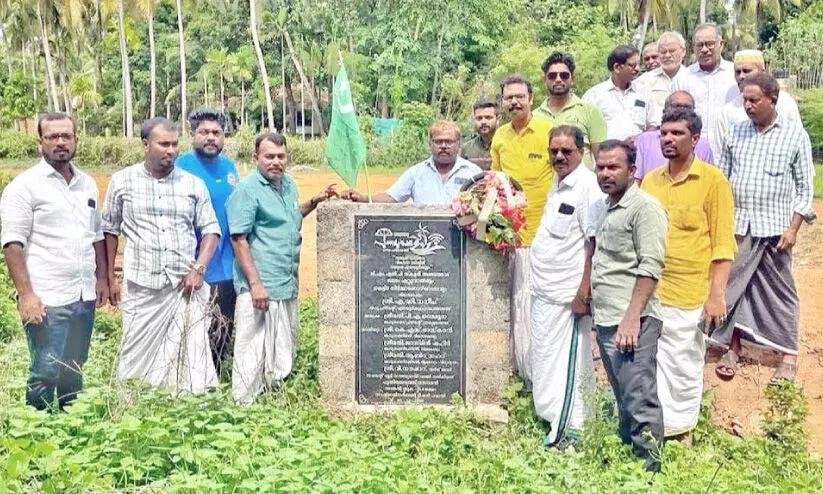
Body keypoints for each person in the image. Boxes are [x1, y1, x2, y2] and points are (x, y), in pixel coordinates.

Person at [102, 118, 221, 394]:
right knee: (135, 354)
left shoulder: (193, 184)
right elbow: (108, 229)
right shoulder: (122, 181)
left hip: (185, 286)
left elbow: (211, 230)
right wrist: (108, 277)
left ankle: (188, 406)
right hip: (142, 285)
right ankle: (135, 403)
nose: (170, 150)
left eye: (174, 144)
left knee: (190, 354)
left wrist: (199, 269)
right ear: (145, 145)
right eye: (163, 144)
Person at [712, 73, 816, 384]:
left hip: (776, 231)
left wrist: (794, 229)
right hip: (739, 226)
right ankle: (733, 348)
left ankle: (787, 355)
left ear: (773, 100)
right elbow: (722, 180)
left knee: (781, 292)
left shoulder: (794, 135)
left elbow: (804, 188)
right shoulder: (736, 132)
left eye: (754, 100)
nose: (747, 105)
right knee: (735, 287)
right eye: (744, 99)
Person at [0, 113, 109, 411]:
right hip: (47, 298)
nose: (60, 142)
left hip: (82, 296)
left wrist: (101, 280)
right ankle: (39, 433)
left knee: (73, 369)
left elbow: (96, 234)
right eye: (52, 137)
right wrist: (27, 295)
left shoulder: (86, 184)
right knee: (45, 372)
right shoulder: (24, 187)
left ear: (76, 139)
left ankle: (69, 430)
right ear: (40, 143)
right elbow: (12, 243)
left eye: (66, 136)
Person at [640, 109, 736, 438]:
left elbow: (723, 244)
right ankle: (655, 430)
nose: (668, 138)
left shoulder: (713, 181)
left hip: (691, 291)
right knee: (651, 363)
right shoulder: (651, 180)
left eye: (677, 133)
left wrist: (717, 295)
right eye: (664, 133)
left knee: (684, 365)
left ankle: (682, 433)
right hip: (652, 290)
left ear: (695, 139)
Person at [227, 133, 336, 404]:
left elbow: (290, 217)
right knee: (252, 346)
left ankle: (271, 398)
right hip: (260, 283)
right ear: (256, 158)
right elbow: (238, 239)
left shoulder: (287, 184)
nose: (276, 162)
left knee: (281, 345)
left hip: (285, 279)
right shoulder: (247, 189)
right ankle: (243, 403)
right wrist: (255, 284)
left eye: (281, 156)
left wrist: (314, 202)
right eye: (269, 156)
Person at [592, 140, 667, 472]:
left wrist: (632, 317)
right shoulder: (609, 206)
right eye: (601, 167)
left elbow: (650, 266)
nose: (606, 173)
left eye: (614, 167)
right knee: (623, 396)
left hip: (633, 320)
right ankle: (628, 465)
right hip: (609, 317)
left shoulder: (644, 208)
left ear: (632, 170)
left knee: (639, 398)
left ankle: (650, 473)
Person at [529, 126, 604, 448]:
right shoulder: (558, 184)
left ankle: (572, 430)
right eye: (554, 151)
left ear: (582, 151)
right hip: (545, 290)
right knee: (545, 357)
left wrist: (583, 292)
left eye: (567, 151)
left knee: (570, 362)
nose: (559, 156)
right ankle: (552, 417)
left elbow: (594, 243)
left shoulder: (588, 187)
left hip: (568, 295)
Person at [491, 74, 554, 384]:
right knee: (516, 307)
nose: (514, 101)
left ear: (531, 98)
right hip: (510, 237)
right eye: (508, 97)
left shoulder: (546, 131)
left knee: (537, 308)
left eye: (520, 96)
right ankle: (519, 373)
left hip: (544, 235)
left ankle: (540, 376)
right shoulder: (500, 136)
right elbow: (494, 183)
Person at [175, 109, 240, 379]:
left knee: (222, 327)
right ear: (193, 135)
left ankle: (214, 378)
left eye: (216, 132)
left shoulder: (230, 168)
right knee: (191, 330)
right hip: (193, 264)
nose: (211, 137)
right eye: (204, 132)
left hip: (227, 266)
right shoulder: (180, 167)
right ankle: (188, 380)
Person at [343, 120, 481, 204]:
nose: (443, 146)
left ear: (458, 144)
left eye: (449, 141)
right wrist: (364, 198)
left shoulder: (473, 173)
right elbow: (392, 197)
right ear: (430, 144)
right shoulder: (416, 173)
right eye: (438, 141)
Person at [671, 23, 737, 159]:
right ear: (693, 48)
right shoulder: (683, 78)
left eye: (710, 44)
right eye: (699, 45)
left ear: (721, 45)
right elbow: (673, 116)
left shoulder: (735, 74)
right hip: (694, 154)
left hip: (730, 152)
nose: (705, 49)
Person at [716, 49, 802, 150]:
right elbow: (720, 154)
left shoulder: (785, 103)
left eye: (746, 71)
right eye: (737, 72)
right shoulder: (728, 111)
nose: (741, 76)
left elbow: (798, 141)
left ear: (762, 72)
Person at [534, 51, 607, 167]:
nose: (558, 79)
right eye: (552, 76)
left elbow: (602, 159)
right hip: (544, 184)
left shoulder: (589, 111)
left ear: (572, 78)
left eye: (564, 75)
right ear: (545, 80)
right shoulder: (534, 117)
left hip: (582, 183)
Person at [633, 91, 715, 182]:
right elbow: (636, 181)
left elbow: (708, 180)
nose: (681, 111)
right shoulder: (644, 141)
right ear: (664, 111)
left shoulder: (703, 146)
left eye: (687, 108)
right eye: (677, 106)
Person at [583, 45, 659, 140]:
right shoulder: (594, 95)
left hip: (639, 151)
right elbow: (584, 130)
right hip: (607, 152)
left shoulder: (644, 93)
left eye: (638, 64)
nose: (637, 69)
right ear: (617, 68)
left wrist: (641, 138)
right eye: (632, 65)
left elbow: (653, 124)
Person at [637, 31, 688, 112]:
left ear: (683, 51)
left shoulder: (693, 78)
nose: (667, 55)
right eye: (663, 52)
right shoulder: (643, 81)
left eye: (672, 51)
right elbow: (637, 107)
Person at [461, 99, 500, 170]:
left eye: (488, 117)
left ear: (498, 119)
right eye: (479, 118)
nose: (483, 122)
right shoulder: (466, 149)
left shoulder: (506, 144)